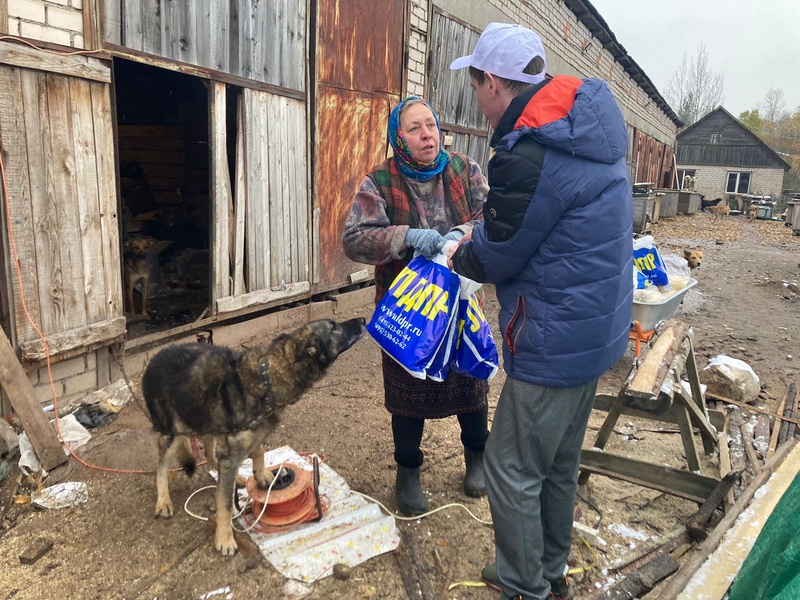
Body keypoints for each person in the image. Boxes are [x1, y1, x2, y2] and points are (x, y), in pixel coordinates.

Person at [448, 23, 633, 600]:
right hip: (597, 332)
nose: (475, 99)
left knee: (509, 468)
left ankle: (525, 586)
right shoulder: (580, 129)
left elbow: (501, 255)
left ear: (494, 84)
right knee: (554, 463)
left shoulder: (529, 152)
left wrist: (462, 252)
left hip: (553, 338)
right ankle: (546, 569)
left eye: (475, 83)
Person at [342, 96, 491, 516]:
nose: (427, 134)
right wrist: (406, 237)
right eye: (415, 128)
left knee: (469, 381)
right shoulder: (380, 181)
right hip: (407, 308)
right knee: (408, 387)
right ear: (398, 138)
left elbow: (494, 218)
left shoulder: (464, 170)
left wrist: (466, 230)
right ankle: (408, 471)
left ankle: (476, 457)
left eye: (431, 124)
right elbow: (354, 238)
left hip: (462, 301)